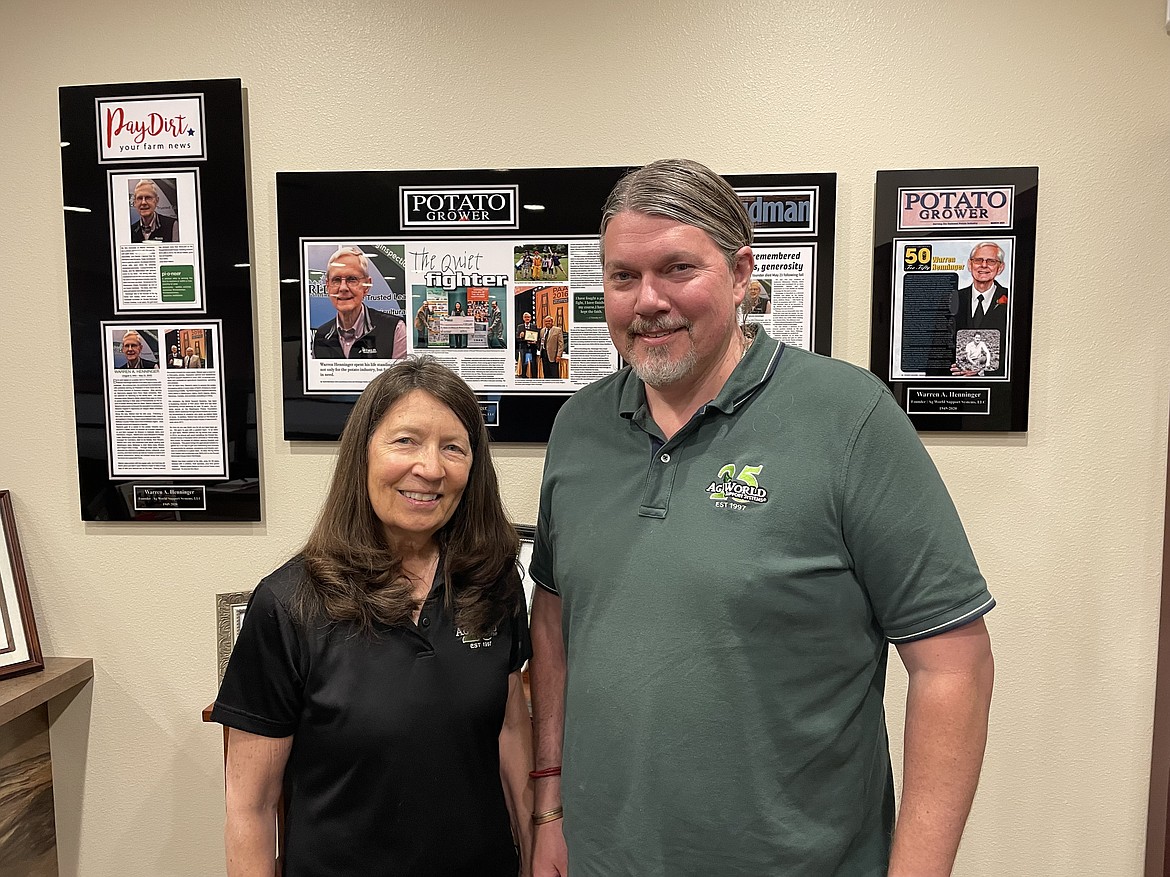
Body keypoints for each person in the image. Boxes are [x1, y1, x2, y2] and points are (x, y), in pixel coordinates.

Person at [528, 159, 995, 877]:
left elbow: (952, 665)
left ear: (742, 273)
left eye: (677, 268)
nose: (647, 300)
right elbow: (556, 624)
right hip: (604, 858)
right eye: (623, 276)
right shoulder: (579, 427)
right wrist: (550, 808)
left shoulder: (850, 418)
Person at [213, 357, 532, 877]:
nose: (430, 469)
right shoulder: (290, 604)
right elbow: (250, 807)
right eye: (405, 441)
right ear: (362, 453)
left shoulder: (493, 583)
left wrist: (535, 846)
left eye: (453, 447)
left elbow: (509, 728)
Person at [312, 246, 408, 360]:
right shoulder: (320, 336)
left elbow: (402, 378)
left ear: (367, 286)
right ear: (327, 287)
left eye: (352, 279)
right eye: (336, 280)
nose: (343, 288)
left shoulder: (394, 329)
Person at [516, 312, 539, 378]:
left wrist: (535, 341)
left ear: (530, 318)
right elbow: (517, 338)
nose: (527, 318)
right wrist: (520, 336)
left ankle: (534, 377)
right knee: (524, 363)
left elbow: (537, 336)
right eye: (525, 317)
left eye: (528, 317)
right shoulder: (520, 327)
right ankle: (524, 377)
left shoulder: (534, 326)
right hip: (524, 347)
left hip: (533, 347)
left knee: (533, 363)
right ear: (523, 318)